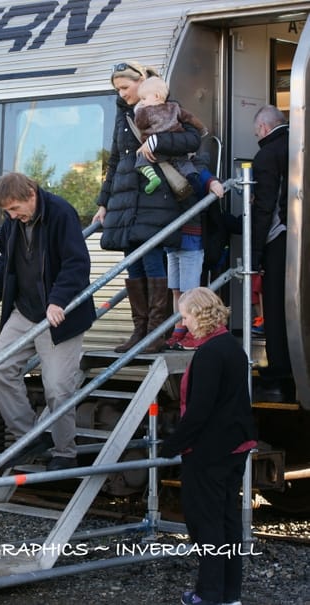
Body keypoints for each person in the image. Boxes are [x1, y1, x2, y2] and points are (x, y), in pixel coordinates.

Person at [0, 172, 95, 471]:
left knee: (56, 387)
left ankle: (66, 452)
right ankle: (29, 438)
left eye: (15, 209)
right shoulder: (13, 222)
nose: (13, 216)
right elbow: (6, 261)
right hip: (24, 310)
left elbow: (76, 263)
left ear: (31, 193)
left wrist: (58, 300)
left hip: (58, 317)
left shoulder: (61, 213)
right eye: (7, 212)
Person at [93, 61, 201, 353]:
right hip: (127, 201)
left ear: (142, 81)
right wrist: (103, 202)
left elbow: (194, 138)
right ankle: (140, 330)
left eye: (125, 88)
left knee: (152, 259)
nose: (122, 94)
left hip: (156, 200)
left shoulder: (167, 106)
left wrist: (156, 141)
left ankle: (157, 332)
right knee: (133, 263)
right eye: (118, 89)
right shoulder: (123, 114)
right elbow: (115, 161)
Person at [160, 287, 257, 605]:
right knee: (228, 521)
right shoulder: (232, 347)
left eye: (186, 316)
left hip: (208, 452)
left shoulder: (209, 354)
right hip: (235, 447)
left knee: (206, 524)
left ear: (199, 315)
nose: (183, 322)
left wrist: (171, 445)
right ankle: (230, 594)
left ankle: (209, 593)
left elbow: (199, 411)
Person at [250, 104, 292, 402]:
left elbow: (265, 207)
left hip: (280, 239)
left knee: (275, 309)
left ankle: (279, 375)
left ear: (264, 129)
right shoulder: (298, 145)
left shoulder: (267, 155)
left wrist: (254, 253)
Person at [165, 154, 226, 351]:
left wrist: (214, 183)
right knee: (176, 289)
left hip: (191, 236)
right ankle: (179, 329)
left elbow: (207, 178)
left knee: (190, 291)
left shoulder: (196, 164)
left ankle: (195, 333)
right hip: (171, 237)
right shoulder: (165, 159)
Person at [133, 76, 208, 194]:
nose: (142, 102)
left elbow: (140, 124)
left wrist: (138, 110)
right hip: (176, 147)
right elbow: (190, 118)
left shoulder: (146, 111)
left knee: (141, 157)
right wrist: (202, 129)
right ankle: (192, 176)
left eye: (143, 98)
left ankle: (153, 178)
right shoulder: (175, 107)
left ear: (156, 96)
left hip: (156, 149)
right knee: (183, 162)